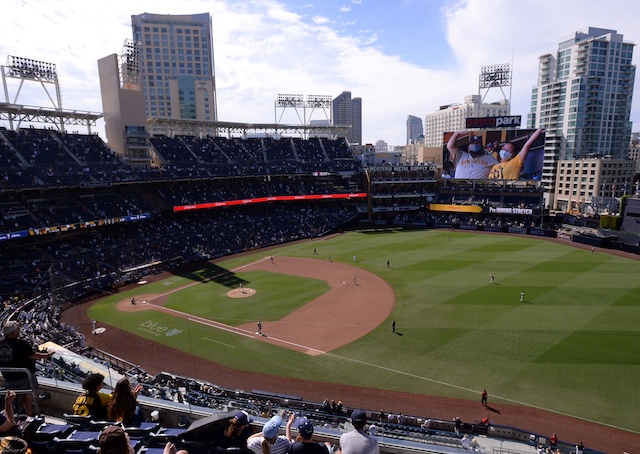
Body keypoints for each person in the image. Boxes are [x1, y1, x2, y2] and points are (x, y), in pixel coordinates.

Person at [0, 321, 53, 415]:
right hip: (24, 375)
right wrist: (47, 355)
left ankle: (21, 412)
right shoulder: (21, 343)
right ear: (13, 333)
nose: (19, 330)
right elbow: (33, 355)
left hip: (8, 376)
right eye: (17, 329)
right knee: (27, 393)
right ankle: (29, 414)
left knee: (18, 393)